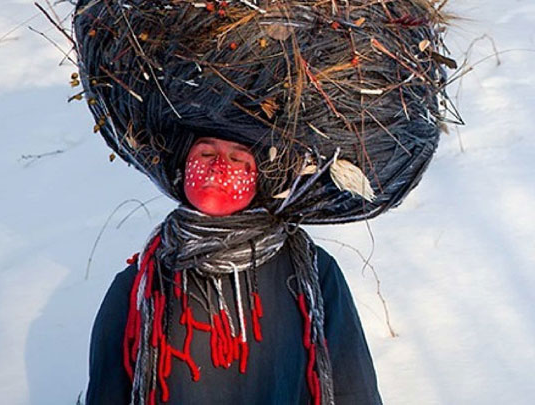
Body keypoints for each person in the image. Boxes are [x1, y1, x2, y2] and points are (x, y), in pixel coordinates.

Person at [86, 136, 383, 405]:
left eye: (237, 159)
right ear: (182, 165)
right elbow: (107, 393)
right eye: (205, 153)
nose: (217, 168)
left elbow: (353, 388)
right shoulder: (141, 284)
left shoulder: (311, 273)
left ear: (261, 179)